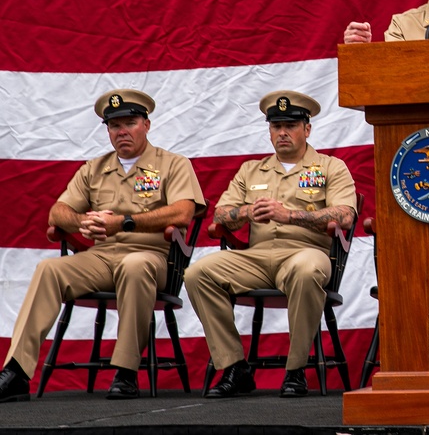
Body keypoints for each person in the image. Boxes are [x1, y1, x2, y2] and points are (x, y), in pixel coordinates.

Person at [0, 89, 205, 402]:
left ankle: (125, 371)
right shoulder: (93, 169)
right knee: (49, 269)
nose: (122, 131)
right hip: (101, 257)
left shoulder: (173, 164)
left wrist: (123, 222)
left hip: (153, 258)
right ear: (107, 130)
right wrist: (83, 222)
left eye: (130, 122)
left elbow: (183, 212)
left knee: (134, 266)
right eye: (114, 125)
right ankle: (16, 370)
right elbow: (58, 212)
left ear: (146, 124)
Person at [185, 91, 356, 399]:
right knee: (198, 273)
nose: (282, 133)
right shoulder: (251, 170)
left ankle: (295, 370)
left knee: (306, 271)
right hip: (257, 257)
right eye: (276, 127)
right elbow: (221, 214)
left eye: (290, 125)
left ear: (307, 129)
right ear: (269, 131)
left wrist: (289, 214)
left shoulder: (331, 167)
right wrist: (248, 212)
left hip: (306, 254)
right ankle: (235, 366)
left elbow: (344, 215)